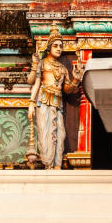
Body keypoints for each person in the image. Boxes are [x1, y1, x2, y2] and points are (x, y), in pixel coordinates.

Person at [28, 29, 83, 169]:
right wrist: (31, 103)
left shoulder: (63, 68)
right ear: (48, 48)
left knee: (60, 134)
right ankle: (48, 164)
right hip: (44, 101)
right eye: (55, 46)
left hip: (57, 104)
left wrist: (76, 79)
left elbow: (67, 89)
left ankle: (57, 164)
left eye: (61, 46)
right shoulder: (43, 63)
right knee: (46, 133)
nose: (59, 48)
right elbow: (32, 82)